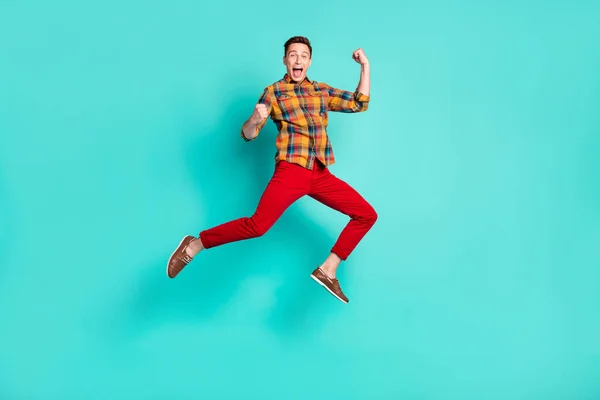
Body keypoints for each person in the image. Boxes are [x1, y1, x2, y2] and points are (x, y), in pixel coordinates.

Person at [167, 36, 377, 303]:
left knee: (366, 214)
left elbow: (360, 102)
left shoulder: (321, 91)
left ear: (310, 62)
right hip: (291, 170)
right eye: (292, 55)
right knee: (257, 226)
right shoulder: (274, 92)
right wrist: (255, 119)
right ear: (285, 60)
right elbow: (248, 134)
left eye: (303, 55)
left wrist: (365, 66)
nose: (298, 60)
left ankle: (328, 269)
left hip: (319, 172)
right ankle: (194, 244)